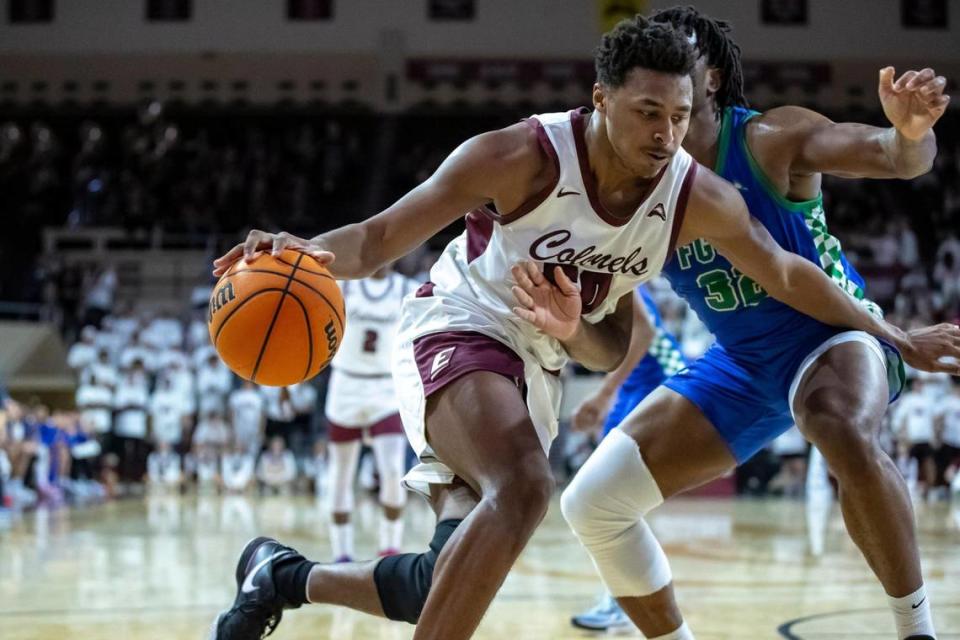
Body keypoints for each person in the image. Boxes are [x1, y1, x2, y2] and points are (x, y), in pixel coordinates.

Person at [208, 17, 954, 640]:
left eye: (678, 114)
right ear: (601, 99)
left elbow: (765, 280)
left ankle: (286, 574)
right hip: (459, 324)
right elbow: (374, 242)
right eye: (647, 113)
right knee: (529, 486)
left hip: (541, 361)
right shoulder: (517, 157)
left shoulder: (706, 189)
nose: (666, 135)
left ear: (705, 99)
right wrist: (304, 249)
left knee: (440, 578)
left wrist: (573, 328)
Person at [560, 8, 956, 640]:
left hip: (837, 334)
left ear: (710, 79)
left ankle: (917, 631)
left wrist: (910, 132)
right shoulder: (637, 179)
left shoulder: (770, 139)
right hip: (742, 363)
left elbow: (897, 158)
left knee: (833, 420)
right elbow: (621, 311)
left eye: (678, 50)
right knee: (592, 503)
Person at [569, 285, 686, 633]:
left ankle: (621, 602)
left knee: (609, 499)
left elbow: (646, 331)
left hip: (656, 380)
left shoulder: (615, 261)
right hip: (638, 384)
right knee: (609, 500)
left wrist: (604, 394)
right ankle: (623, 599)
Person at [324, 265, 418, 562]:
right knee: (341, 474)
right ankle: (342, 554)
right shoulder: (343, 286)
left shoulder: (408, 289)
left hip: (385, 387)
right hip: (345, 384)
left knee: (392, 472)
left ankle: (389, 548)